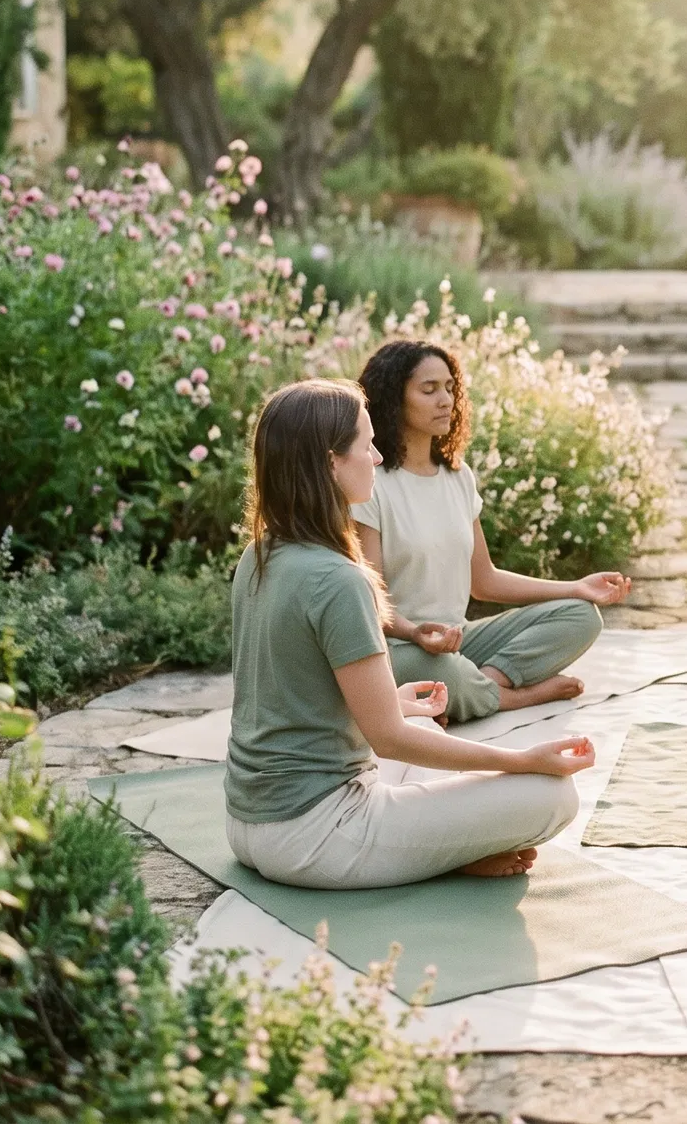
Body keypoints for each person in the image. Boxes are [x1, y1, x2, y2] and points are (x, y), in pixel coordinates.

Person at [224, 378, 595, 889]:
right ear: (332, 463)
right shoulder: (338, 580)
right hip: (317, 837)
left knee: (424, 727)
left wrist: (394, 702)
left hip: (247, 824)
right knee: (552, 795)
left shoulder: (259, 556)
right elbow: (388, 741)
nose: (376, 457)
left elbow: (285, 698)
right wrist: (523, 759)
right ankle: (444, 853)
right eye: (366, 445)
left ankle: (444, 850)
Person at [353, 340, 631, 724]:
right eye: (429, 389)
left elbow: (484, 581)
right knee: (447, 674)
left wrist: (576, 587)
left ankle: (483, 686)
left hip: (459, 640)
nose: (446, 400)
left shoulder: (457, 476)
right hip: (400, 645)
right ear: (392, 399)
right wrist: (417, 633)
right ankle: (518, 697)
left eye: (450, 388)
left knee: (581, 616)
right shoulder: (371, 483)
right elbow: (368, 600)